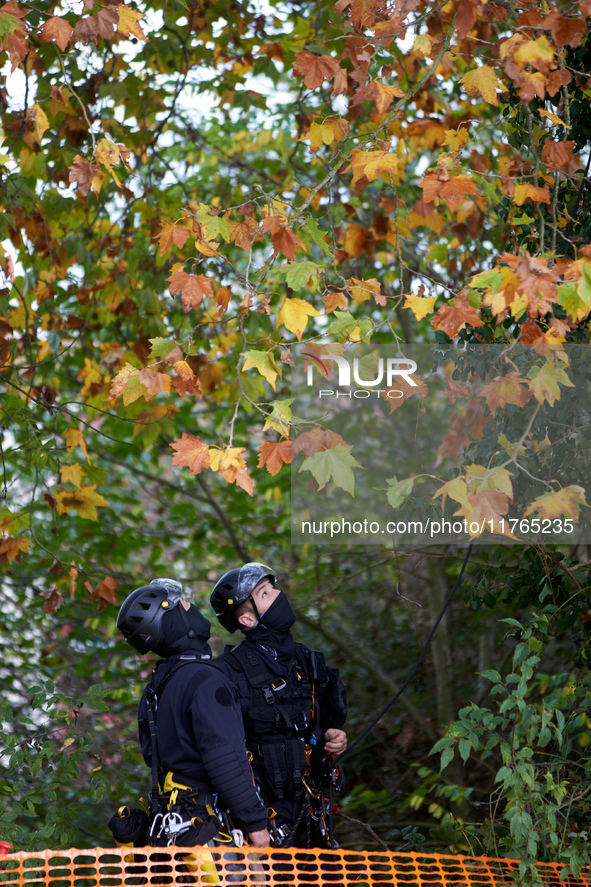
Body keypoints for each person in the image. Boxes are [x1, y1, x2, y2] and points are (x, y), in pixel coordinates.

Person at [116, 578, 270, 849]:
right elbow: (226, 760)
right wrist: (256, 826)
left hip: (171, 827)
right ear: (173, 621)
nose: (192, 608)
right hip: (207, 830)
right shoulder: (205, 680)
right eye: (185, 605)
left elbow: (154, 757)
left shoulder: (156, 687)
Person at [210, 563, 347, 848]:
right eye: (264, 593)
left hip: (312, 811)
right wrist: (251, 820)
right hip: (263, 822)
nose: (278, 594)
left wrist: (333, 737)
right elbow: (222, 752)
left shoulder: (307, 661)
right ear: (247, 620)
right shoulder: (227, 674)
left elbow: (321, 723)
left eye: (272, 588)